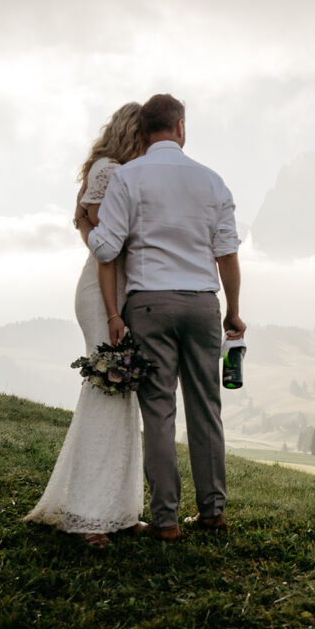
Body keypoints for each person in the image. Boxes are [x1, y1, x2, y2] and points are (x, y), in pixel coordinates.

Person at [79, 93, 245, 541]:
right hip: (202, 304)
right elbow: (226, 253)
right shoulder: (211, 181)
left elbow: (109, 249)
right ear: (180, 127)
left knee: (159, 412)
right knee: (206, 409)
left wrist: (85, 228)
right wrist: (233, 311)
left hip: (149, 304)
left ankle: (166, 520)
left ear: (144, 130)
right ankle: (212, 511)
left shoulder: (128, 178)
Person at [24, 103, 148, 548]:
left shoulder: (119, 171)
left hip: (120, 290)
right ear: (137, 133)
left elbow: (88, 222)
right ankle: (88, 517)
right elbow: (100, 237)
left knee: (122, 393)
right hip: (103, 294)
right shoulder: (110, 169)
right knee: (108, 389)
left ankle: (119, 510)